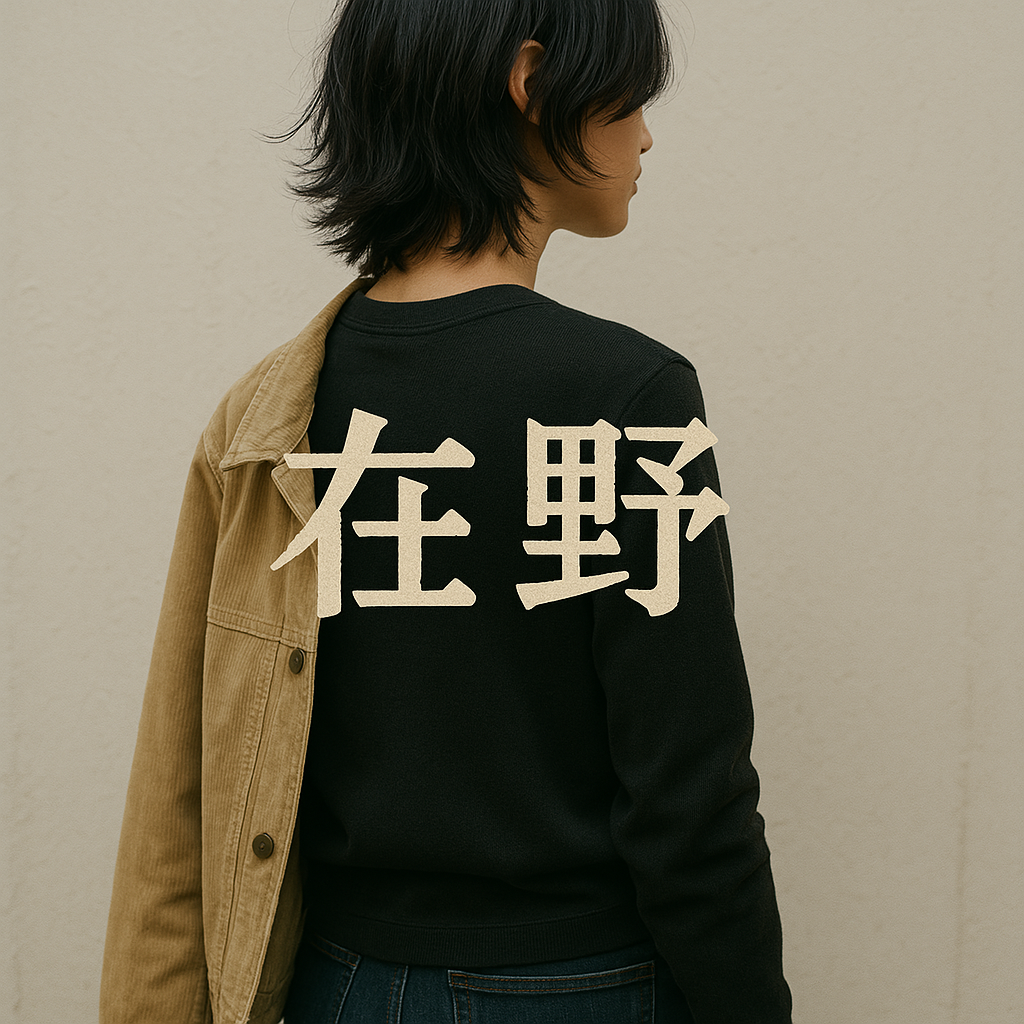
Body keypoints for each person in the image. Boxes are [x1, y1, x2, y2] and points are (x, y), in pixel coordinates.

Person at [100, 1, 793, 1022]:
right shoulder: (629, 394)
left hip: (334, 989)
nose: (646, 135)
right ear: (531, 82)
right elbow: (690, 799)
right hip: (574, 990)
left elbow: (180, 795)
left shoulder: (267, 417)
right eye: (631, 96)